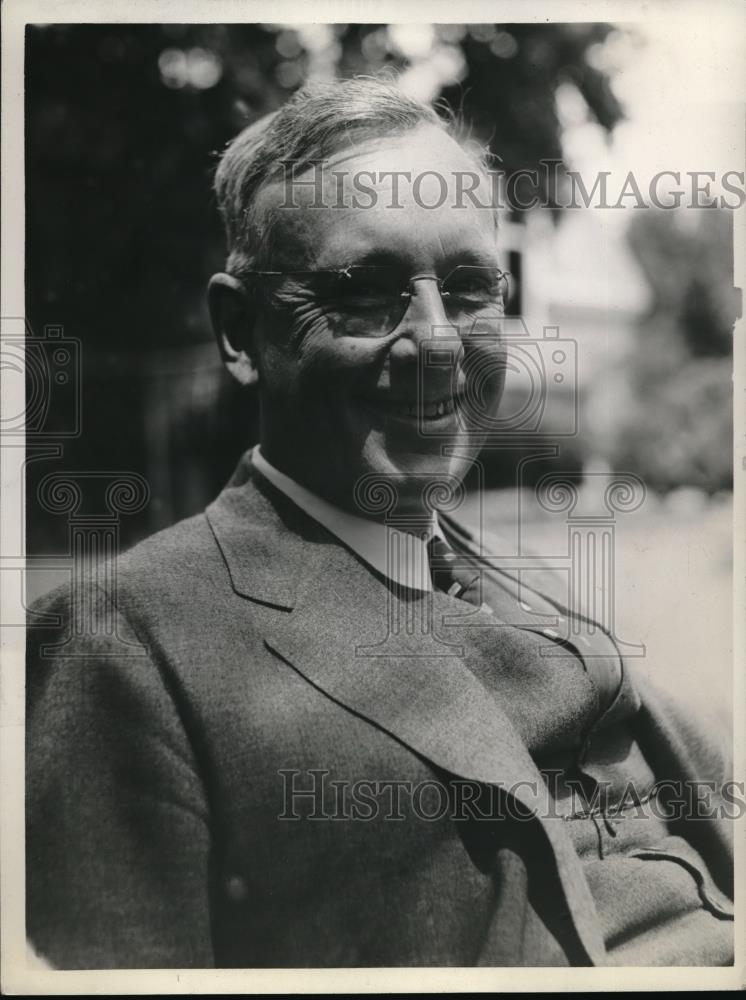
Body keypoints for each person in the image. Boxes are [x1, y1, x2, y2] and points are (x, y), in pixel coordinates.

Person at [26, 77, 734, 969]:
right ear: (241, 333)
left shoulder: (521, 591)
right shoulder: (127, 645)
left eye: (472, 287)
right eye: (367, 291)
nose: (438, 342)